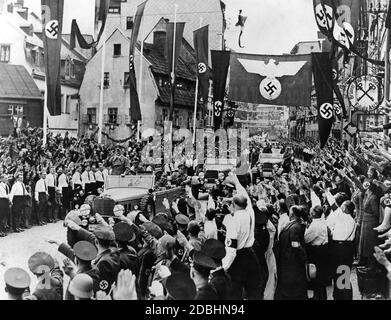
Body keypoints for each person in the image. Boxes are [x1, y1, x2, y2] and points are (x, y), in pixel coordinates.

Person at [222, 173, 261, 300]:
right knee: (253, 291)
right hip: (250, 255)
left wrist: (224, 267)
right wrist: (237, 183)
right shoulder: (250, 212)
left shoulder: (233, 222)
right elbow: (246, 198)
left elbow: (231, 250)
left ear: (233, 205)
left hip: (238, 259)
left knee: (234, 292)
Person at [277, 205, 307, 300]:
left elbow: (295, 245)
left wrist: (303, 257)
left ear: (292, 214)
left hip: (292, 261)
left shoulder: (295, 227)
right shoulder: (295, 225)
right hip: (289, 260)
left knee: (293, 289)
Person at [329, 201, 356, 300]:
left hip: (340, 249)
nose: (340, 207)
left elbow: (333, 205)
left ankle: (341, 296)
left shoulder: (342, 217)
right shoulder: (350, 220)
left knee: (340, 275)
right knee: (343, 274)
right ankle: (342, 296)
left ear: (345, 208)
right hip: (347, 248)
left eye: (342, 206)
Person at [304, 205, 329, 300]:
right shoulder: (322, 222)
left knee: (316, 276)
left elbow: (306, 239)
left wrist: (306, 228)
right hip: (323, 250)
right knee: (320, 275)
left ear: (313, 214)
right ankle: (319, 296)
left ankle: (319, 297)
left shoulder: (315, 225)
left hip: (317, 251)